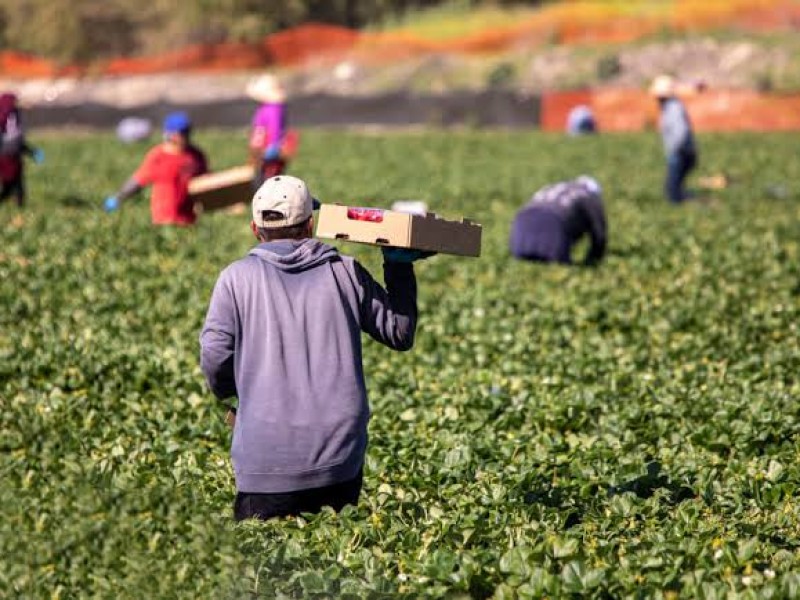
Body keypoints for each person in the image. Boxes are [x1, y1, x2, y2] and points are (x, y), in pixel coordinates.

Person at [200, 175, 431, 521]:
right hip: (338, 463)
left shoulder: (235, 278)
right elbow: (398, 332)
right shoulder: (346, 272)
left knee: (265, 567)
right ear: (310, 224)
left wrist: (240, 398)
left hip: (265, 465)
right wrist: (398, 267)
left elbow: (215, 356)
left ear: (254, 228)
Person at [103, 111, 208, 225]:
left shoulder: (196, 156)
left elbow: (206, 181)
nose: (185, 137)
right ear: (170, 134)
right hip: (164, 221)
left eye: (187, 132)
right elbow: (138, 181)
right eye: (182, 133)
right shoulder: (158, 157)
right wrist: (118, 198)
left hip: (189, 221)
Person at [509, 176, 607, 266]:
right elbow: (599, 232)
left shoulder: (550, 188)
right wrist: (593, 261)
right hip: (553, 225)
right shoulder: (589, 196)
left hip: (520, 228)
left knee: (524, 263)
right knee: (556, 267)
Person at [650, 75, 698, 203]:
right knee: (673, 189)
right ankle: (686, 201)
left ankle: (690, 203)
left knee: (673, 192)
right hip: (679, 152)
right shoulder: (669, 107)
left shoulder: (673, 108)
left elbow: (681, 131)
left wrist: (675, 148)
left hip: (679, 153)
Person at [246, 74, 297, 190]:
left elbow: (275, 129)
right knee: (259, 178)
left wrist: (273, 147)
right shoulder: (266, 107)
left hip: (269, 151)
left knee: (267, 181)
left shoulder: (274, 109)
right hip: (261, 151)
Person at [0, 93, 43, 207]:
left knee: (16, 184)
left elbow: (17, 141)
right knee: (12, 185)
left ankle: (19, 206)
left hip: (13, 156)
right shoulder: (7, 116)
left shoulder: (13, 116)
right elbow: (15, 141)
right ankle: (18, 205)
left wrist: (32, 152)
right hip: (7, 157)